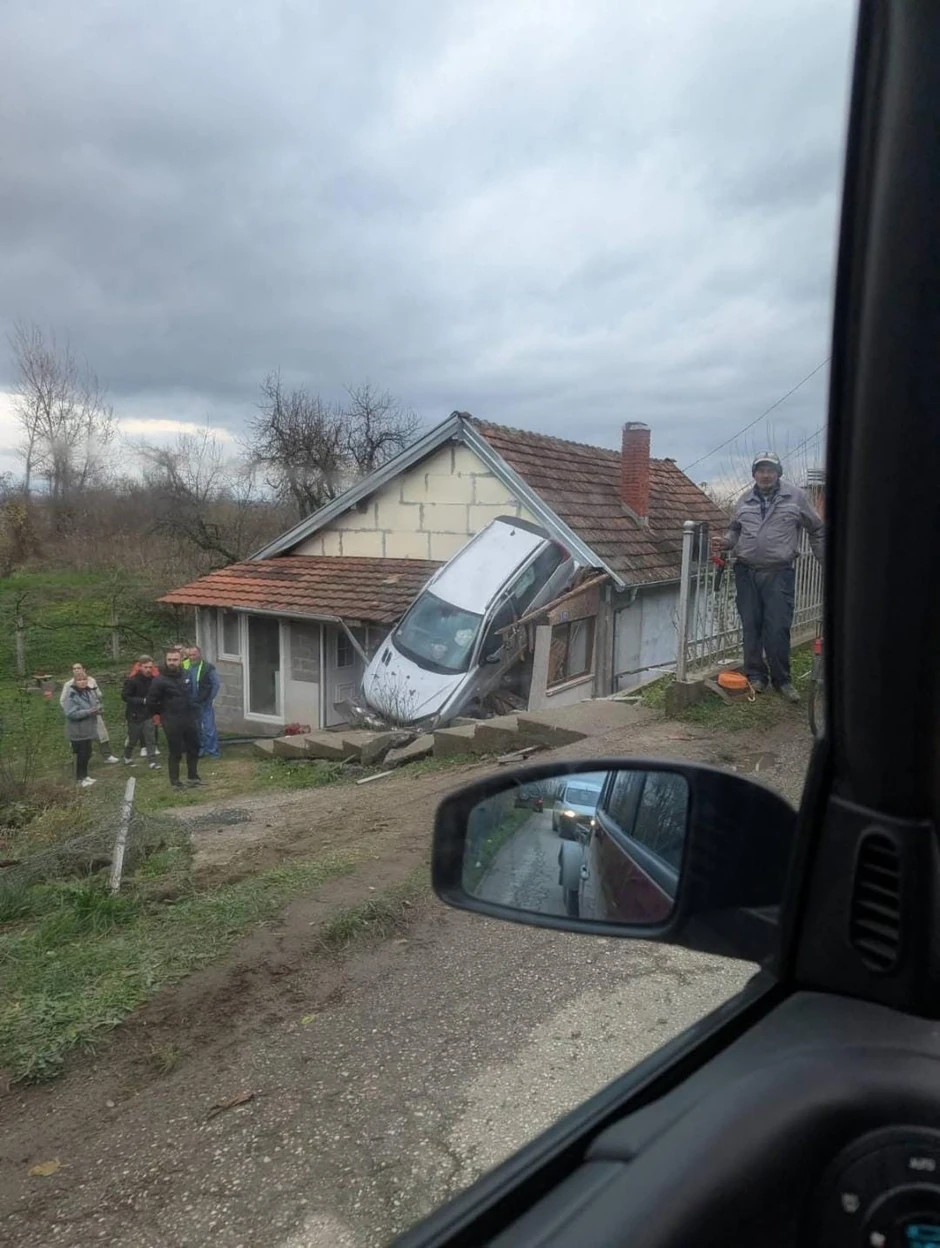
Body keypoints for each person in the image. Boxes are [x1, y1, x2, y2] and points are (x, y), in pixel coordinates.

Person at [719, 451, 824, 702]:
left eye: (770, 470)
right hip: (746, 572)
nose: (765, 475)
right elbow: (734, 530)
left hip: (779, 573)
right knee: (751, 626)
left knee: (777, 628)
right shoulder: (744, 500)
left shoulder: (795, 497)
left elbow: (817, 529)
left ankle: (782, 681)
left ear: (778, 473)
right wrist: (725, 542)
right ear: (754, 474)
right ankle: (756, 676)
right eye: (761, 470)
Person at [146, 649, 203, 789]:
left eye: (175, 660)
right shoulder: (159, 680)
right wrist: (163, 712)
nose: (172, 662)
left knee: (194, 747)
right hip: (171, 720)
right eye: (169, 660)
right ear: (165, 661)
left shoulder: (186, 674)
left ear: (181, 660)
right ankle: (175, 782)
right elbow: (151, 702)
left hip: (189, 717)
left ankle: (193, 777)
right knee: (175, 751)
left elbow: (191, 693)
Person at [59, 664, 120, 762]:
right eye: (74, 669)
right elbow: (63, 700)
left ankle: (107, 755)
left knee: (102, 734)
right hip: (80, 717)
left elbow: (98, 695)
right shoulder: (68, 684)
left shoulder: (91, 680)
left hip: (94, 714)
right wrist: (74, 711)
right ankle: (78, 760)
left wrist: (98, 706)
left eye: (79, 668)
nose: (77, 670)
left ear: (84, 669)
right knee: (80, 741)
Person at [62, 672, 104, 788]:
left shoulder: (89, 691)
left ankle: (85, 775)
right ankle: (79, 779)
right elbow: (70, 713)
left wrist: (98, 709)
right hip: (77, 731)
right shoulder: (71, 695)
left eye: (84, 679)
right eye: (79, 680)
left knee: (87, 754)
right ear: (75, 682)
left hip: (88, 729)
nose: (82, 682)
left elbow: (96, 703)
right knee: (81, 755)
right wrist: (89, 712)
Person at [121, 655, 160, 769]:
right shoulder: (132, 680)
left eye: (150, 667)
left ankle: (152, 761)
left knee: (150, 738)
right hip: (135, 715)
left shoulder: (154, 680)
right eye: (146, 667)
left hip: (148, 714)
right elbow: (125, 697)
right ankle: (127, 756)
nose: (148, 669)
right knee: (133, 739)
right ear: (140, 667)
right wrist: (142, 701)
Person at [183, 644, 221, 758]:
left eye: (194, 654)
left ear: (199, 654)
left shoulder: (208, 667)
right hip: (191, 703)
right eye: (190, 655)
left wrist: (210, 698)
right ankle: (201, 748)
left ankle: (213, 751)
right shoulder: (184, 665)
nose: (192, 657)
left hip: (204, 703)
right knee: (196, 728)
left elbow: (216, 684)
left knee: (209, 728)